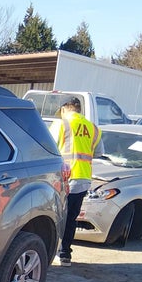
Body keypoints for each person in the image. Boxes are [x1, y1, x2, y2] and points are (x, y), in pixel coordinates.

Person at [50, 97, 101, 266]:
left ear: (65, 108)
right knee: (71, 218)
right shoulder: (93, 128)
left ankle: (52, 252)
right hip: (83, 179)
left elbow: (47, 148)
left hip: (64, 178)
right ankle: (65, 254)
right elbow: (99, 153)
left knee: (57, 217)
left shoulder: (61, 124)